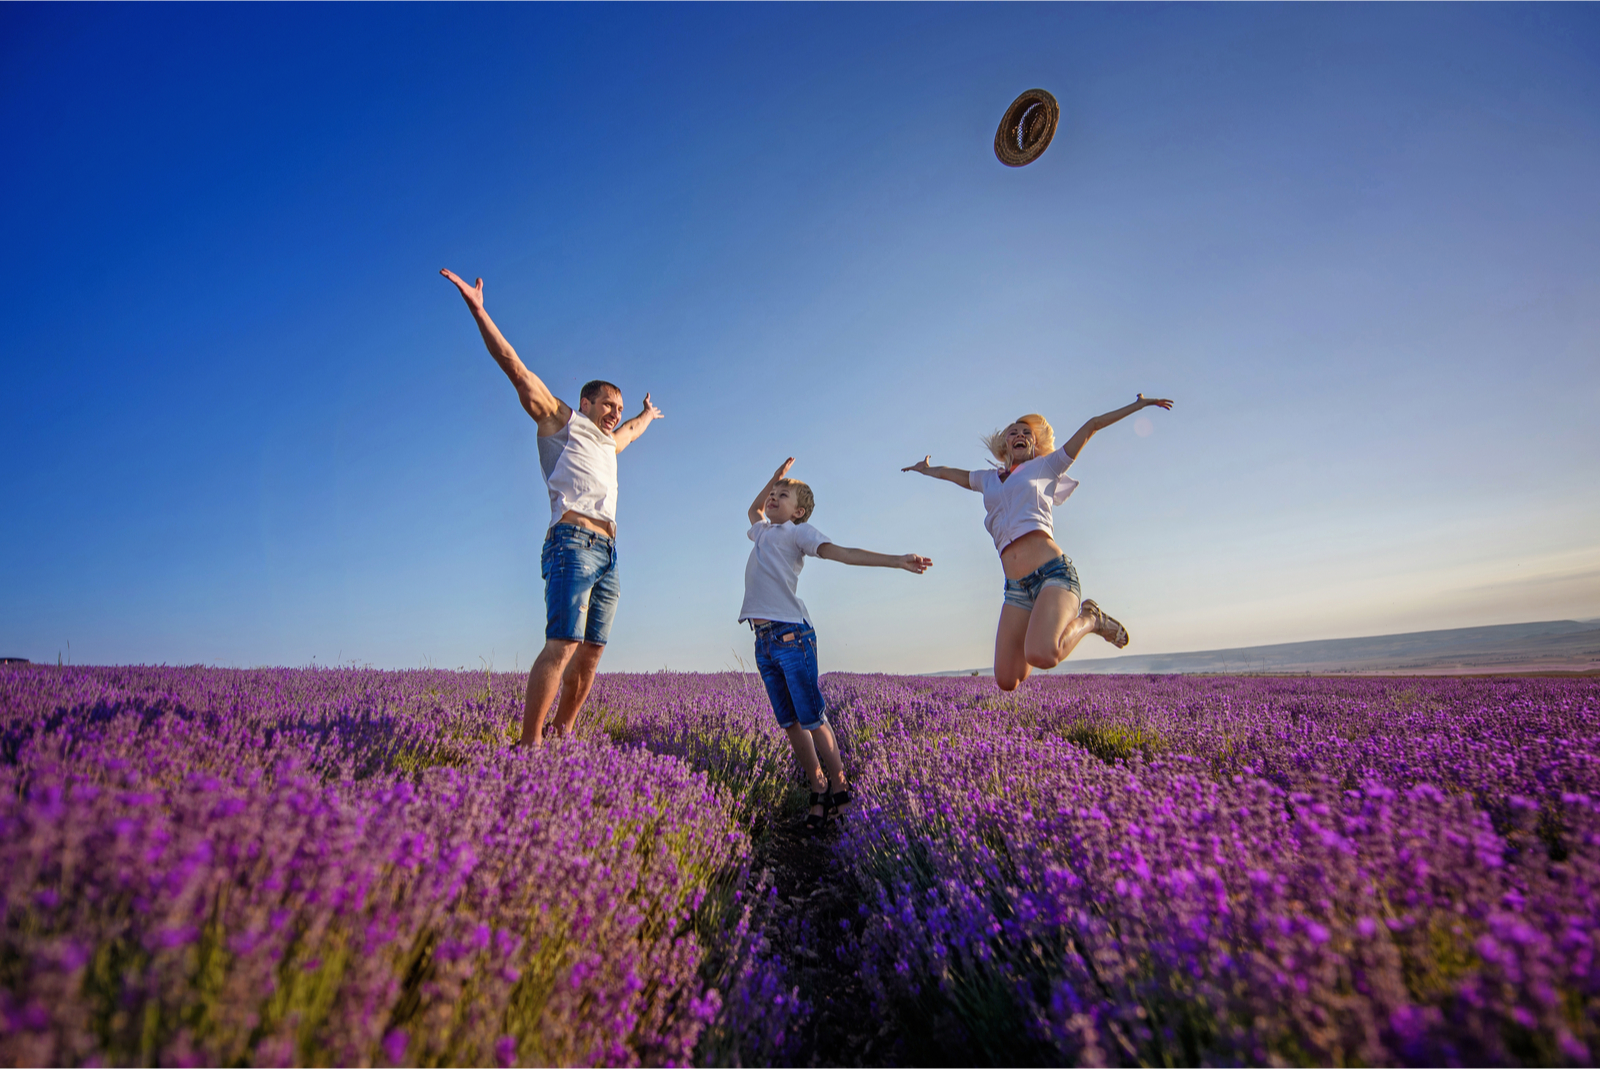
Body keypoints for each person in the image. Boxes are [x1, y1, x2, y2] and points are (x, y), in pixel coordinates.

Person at [442, 269, 663, 745]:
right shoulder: (562, 421)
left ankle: (562, 734)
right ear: (586, 402)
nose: (614, 414)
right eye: (608, 404)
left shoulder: (610, 442)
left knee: (592, 652)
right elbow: (515, 368)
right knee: (562, 643)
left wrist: (647, 414)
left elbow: (631, 433)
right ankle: (529, 746)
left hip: (609, 553)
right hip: (572, 541)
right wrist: (480, 311)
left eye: (619, 408)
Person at [902, 394, 1173, 691]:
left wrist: (1139, 405)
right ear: (1005, 443)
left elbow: (1093, 425)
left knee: (1043, 653)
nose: (1019, 435)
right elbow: (948, 474)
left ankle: (1090, 618)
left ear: (1034, 443)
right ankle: (1042, 628)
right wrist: (925, 469)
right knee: (1007, 679)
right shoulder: (987, 479)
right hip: (1017, 590)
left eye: (1026, 433)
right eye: (1013, 432)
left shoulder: (1047, 466)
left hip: (1053, 575)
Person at [741, 458, 931, 832]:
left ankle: (841, 786)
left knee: (813, 719)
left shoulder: (798, 533)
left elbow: (843, 553)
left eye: (783, 495)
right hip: (762, 642)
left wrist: (896, 561)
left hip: (792, 638)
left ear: (799, 511)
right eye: (773, 494)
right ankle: (818, 786)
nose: (773, 498)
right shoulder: (762, 531)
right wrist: (775, 478)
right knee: (790, 723)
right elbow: (753, 509)